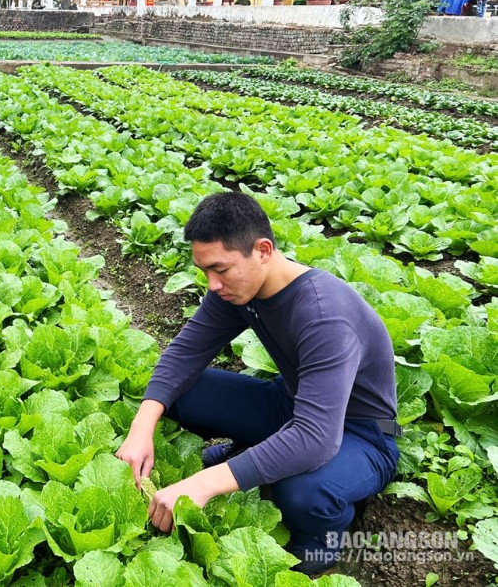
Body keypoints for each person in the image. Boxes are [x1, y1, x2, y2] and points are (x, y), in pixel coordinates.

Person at [115, 192, 400, 577]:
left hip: (362, 435)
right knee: (181, 390)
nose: (212, 284)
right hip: (292, 404)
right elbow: (184, 354)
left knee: (302, 493)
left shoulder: (323, 316)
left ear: (263, 250)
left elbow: (317, 437)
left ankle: (318, 554)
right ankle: (252, 454)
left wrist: (204, 484)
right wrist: (140, 428)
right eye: (204, 272)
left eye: (221, 269)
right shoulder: (236, 289)